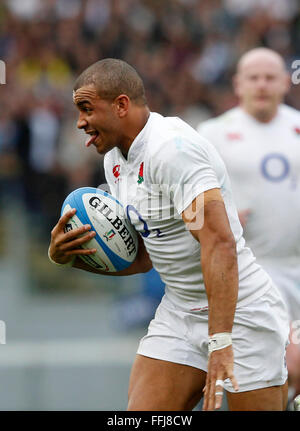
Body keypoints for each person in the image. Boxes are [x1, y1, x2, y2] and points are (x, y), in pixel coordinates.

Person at [48, 58, 289, 411]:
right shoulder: (115, 160)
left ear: (121, 105)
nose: (80, 122)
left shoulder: (172, 150)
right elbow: (145, 256)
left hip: (241, 313)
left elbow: (219, 242)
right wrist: (67, 258)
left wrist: (220, 337)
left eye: (86, 109)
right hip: (179, 311)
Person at [197, 47, 300, 402]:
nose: (262, 85)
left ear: (286, 82)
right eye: (253, 78)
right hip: (251, 270)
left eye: (270, 77)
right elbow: (184, 201)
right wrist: (216, 216)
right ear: (238, 84)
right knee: (282, 363)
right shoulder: (212, 134)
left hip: (296, 265)